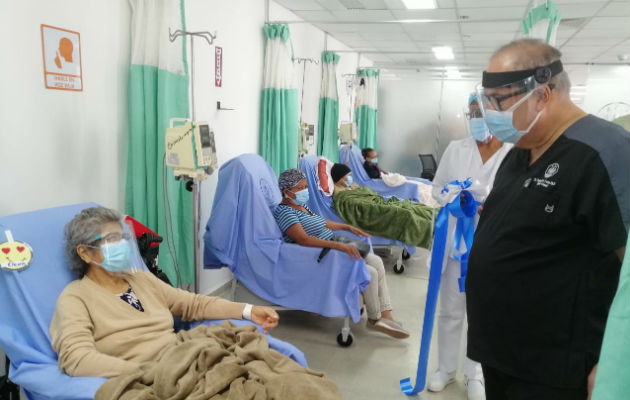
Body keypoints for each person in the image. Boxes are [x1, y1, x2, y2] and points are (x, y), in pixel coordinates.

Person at [466, 38, 629, 400]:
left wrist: (617, 361)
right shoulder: (522, 149)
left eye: (498, 99)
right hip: (504, 354)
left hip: (556, 368)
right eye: (486, 100)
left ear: (542, 94)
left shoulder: (607, 151)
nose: (490, 112)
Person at [50, 207, 341, 398]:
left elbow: (193, 305)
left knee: (298, 386)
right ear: (85, 253)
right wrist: (144, 371)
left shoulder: (139, 278)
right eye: (111, 240)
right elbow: (77, 359)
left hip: (188, 354)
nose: (123, 246)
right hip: (159, 373)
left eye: (123, 238)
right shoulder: (75, 297)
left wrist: (249, 310)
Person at [427, 93, 512, 400]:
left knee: (483, 312)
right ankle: (446, 369)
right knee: (450, 309)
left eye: (484, 112)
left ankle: (474, 374)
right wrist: (459, 201)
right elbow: (437, 189)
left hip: (493, 243)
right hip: (456, 243)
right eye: (473, 112)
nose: (478, 118)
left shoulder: (513, 152)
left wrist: (488, 205)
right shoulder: (456, 149)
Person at [273, 168, 409, 339]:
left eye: (306, 186)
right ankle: (374, 319)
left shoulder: (301, 206)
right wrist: (338, 246)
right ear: (287, 192)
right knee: (370, 273)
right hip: (320, 255)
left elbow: (323, 223)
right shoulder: (284, 212)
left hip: (334, 244)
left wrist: (346, 227)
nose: (305, 190)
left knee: (376, 261)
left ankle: (387, 315)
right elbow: (304, 240)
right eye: (301, 188)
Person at [330, 163, 434, 249]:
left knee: (411, 206)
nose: (350, 178)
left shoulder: (351, 186)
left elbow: (368, 194)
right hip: (375, 209)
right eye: (347, 176)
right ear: (339, 178)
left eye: (350, 175)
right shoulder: (342, 196)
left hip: (378, 201)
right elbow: (360, 207)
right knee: (406, 213)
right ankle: (432, 231)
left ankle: (434, 217)